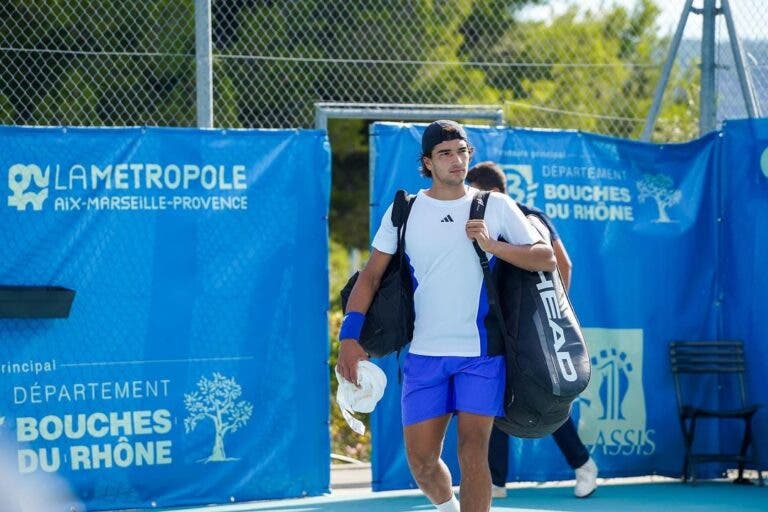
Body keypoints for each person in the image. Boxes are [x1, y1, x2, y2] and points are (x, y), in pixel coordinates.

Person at [336, 121, 556, 512]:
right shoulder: (404, 210)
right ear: (427, 162)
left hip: (482, 355)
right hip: (423, 356)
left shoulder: (495, 206)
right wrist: (350, 339)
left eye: (462, 151)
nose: (457, 160)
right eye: (445, 154)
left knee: (473, 453)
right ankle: (447, 507)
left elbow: (545, 257)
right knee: (421, 464)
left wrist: (491, 244)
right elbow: (369, 278)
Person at [465, 161, 599, 499]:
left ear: (489, 193)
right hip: (498, 328)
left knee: (541, 394)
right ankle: (495, 482)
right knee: (495, 398)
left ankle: (583, 464)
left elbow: (561, 263)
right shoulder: (484, 223)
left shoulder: (525, 218)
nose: (468, 201)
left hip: (530, 331)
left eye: (473, 195)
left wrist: (553, 313)